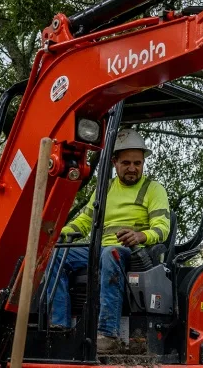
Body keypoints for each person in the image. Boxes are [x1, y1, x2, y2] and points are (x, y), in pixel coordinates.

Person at [49, 128, 171, 354]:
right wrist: (58, 234)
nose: (133, 168)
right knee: (56, 254)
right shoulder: (104, 190)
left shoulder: (153, 189)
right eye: (126, 163)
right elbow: (85, 220)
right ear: (114, 162)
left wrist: (139, 236)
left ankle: (108, 333)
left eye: (138, 163)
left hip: (132, 252)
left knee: (110, 253)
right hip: (99, 248)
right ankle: (59, 326)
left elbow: (162, 229)